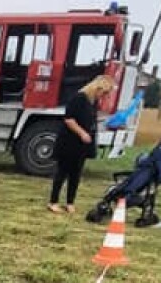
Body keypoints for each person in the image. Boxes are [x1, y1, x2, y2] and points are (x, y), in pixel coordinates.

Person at [48, 75, 115, 214]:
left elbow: (90, 119)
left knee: (76, 173)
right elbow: (69, 119)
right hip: (69, 141)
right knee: (62, 172)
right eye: (104, 93)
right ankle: (53, 202)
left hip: (82, 145)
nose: (103, 96)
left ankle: (70, 202)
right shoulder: (79, 98)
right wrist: (82, 133)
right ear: (97, 88)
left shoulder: (93, 102)